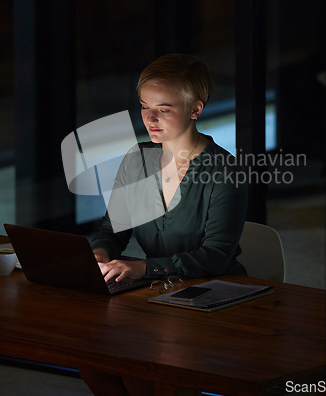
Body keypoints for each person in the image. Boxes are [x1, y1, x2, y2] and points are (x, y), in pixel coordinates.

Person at [82, 53, 248, 396]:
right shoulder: (137, 159)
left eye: (164, 109)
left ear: (195, 109)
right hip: (156, 292)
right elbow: (114, 230)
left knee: (145, 372)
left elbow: (215, 257)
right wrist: (99, 254)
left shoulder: (225, 171)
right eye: (144, 106)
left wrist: (143, 268)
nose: (149, 118)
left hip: (212, 294)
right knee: (93, 361)